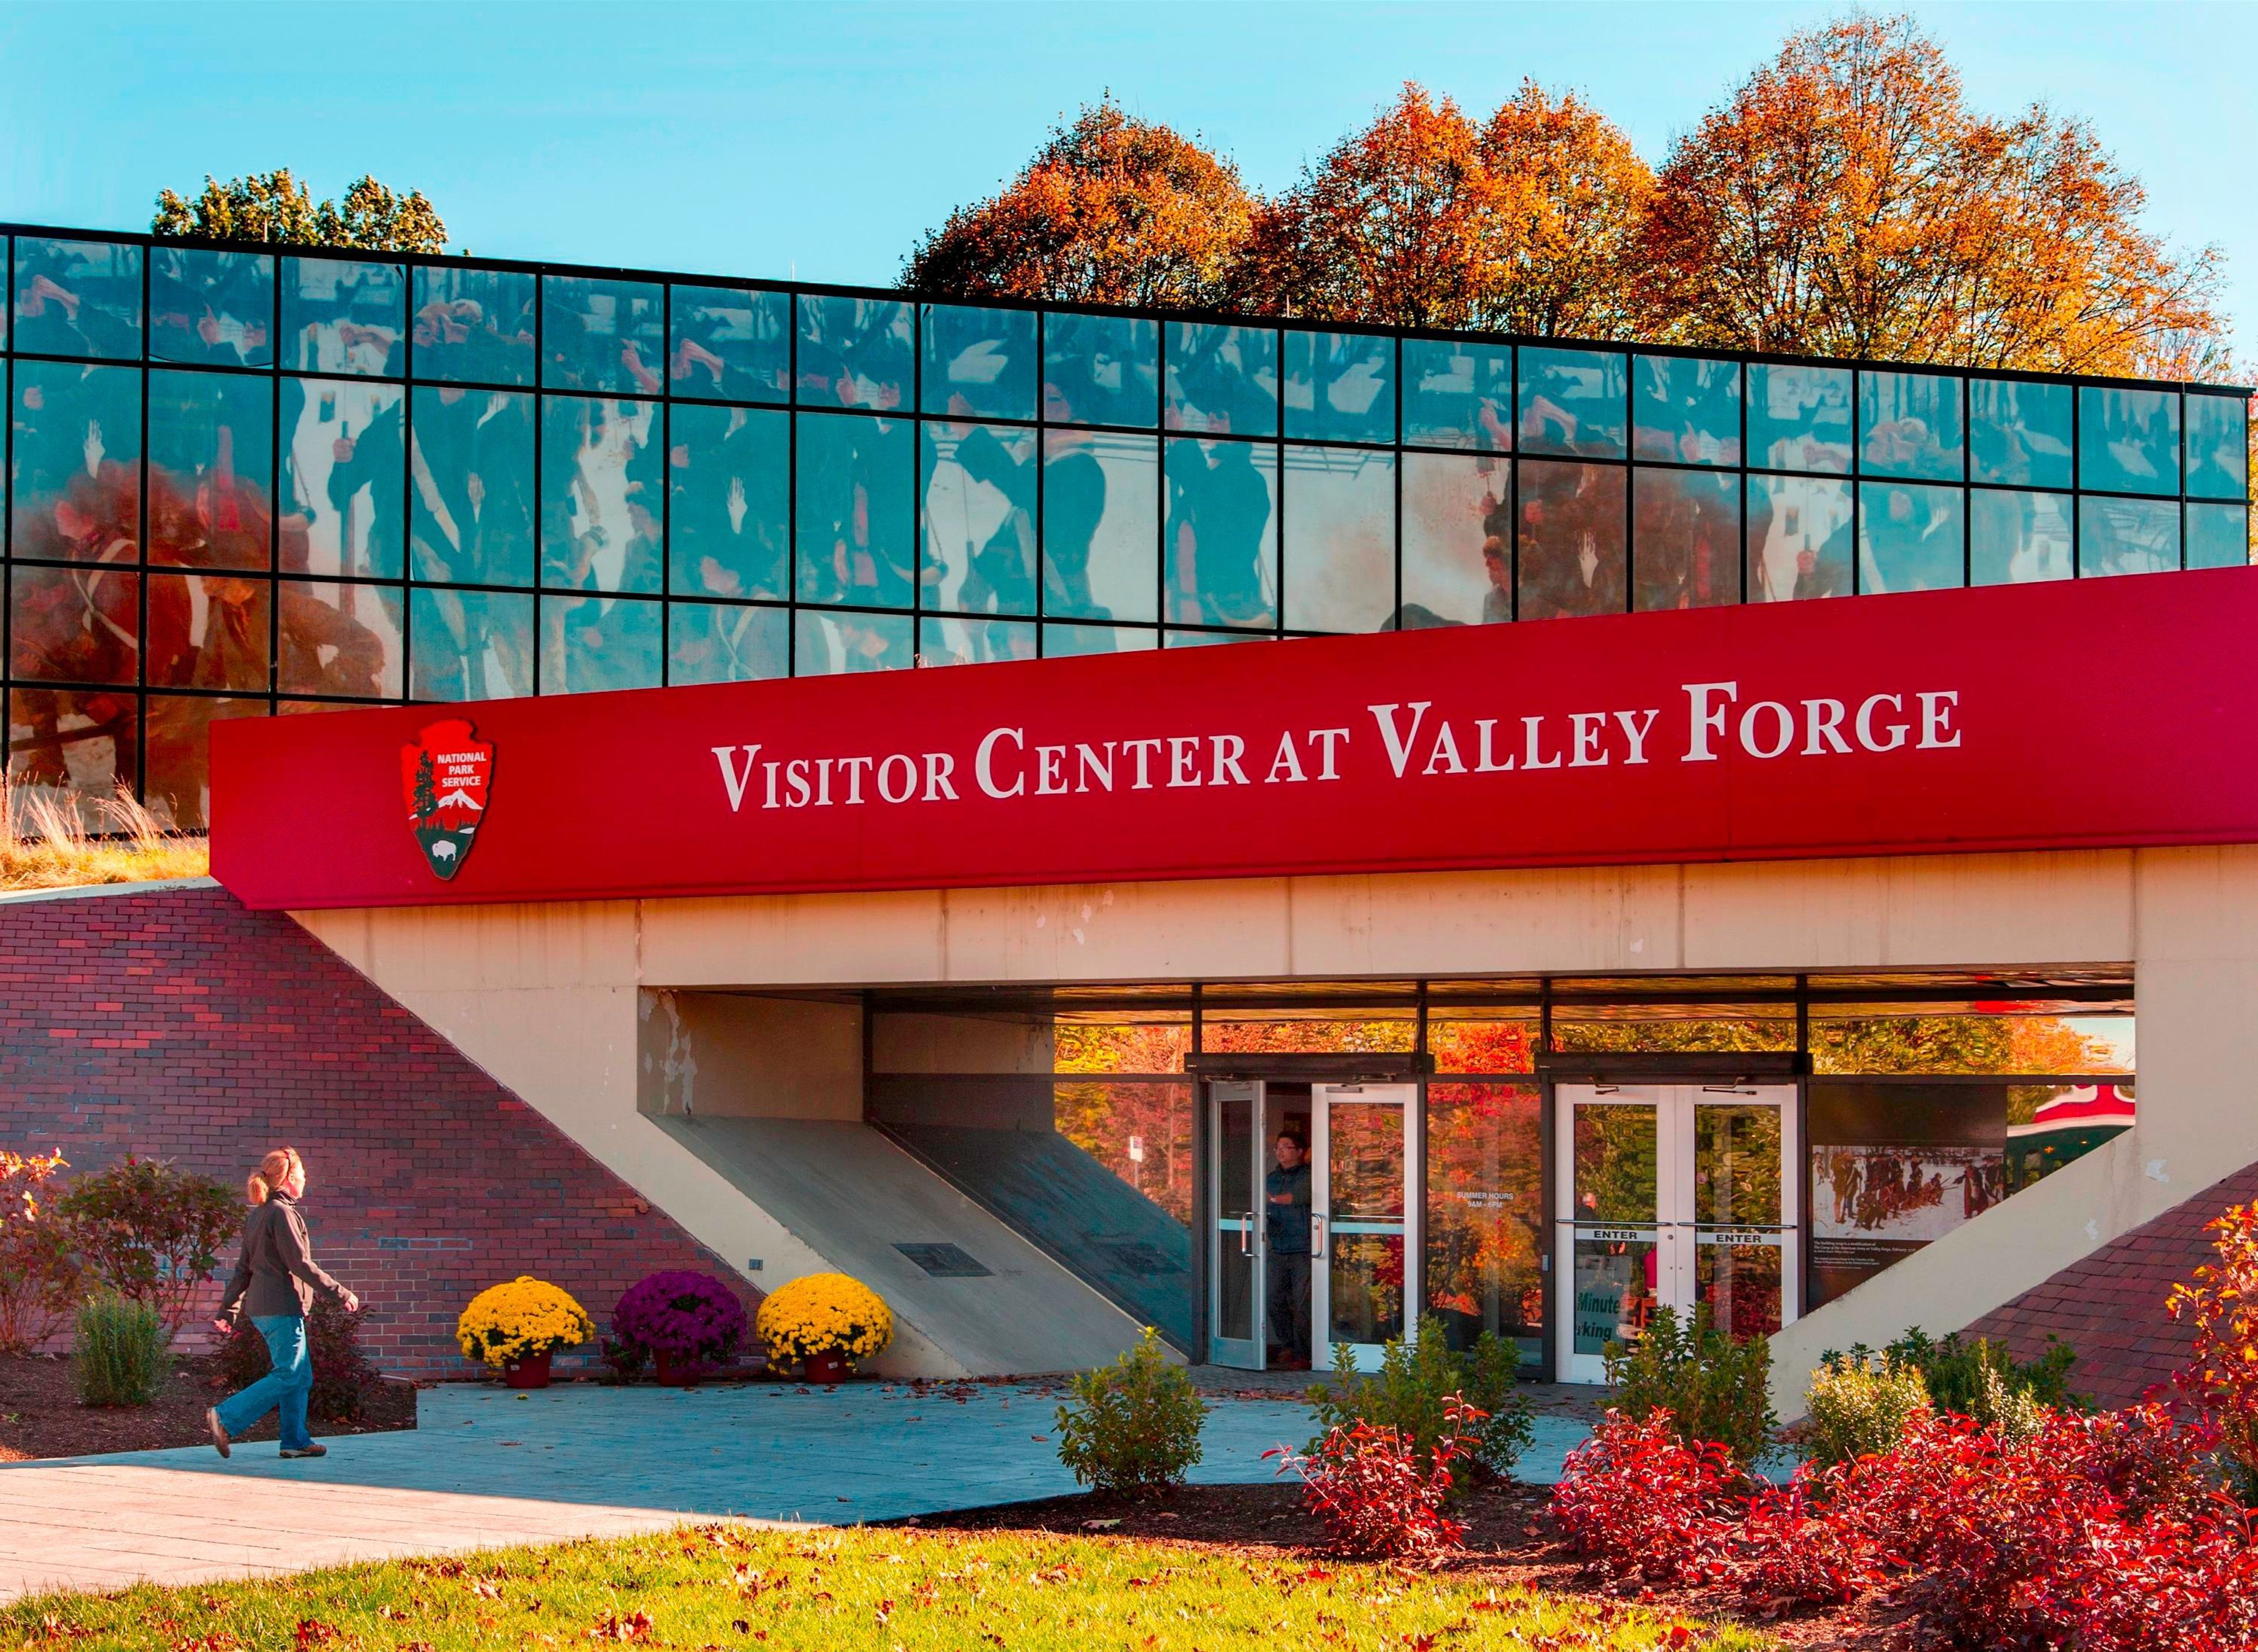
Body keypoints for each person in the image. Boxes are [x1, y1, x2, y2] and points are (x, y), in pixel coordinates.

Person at [206, 1148, 359, 1461]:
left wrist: (228, 1310)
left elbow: (243, 1269)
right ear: (290, 1179)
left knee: (300, 1377)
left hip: (265, 1308)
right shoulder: (281, 1213)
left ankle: (294, 1441)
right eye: (302, 1176)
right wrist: (340, 1293)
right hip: (281, 1306)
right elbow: (300, 1264)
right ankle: (225, 1417)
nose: (305, 1181)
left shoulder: (260, 1213)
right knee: (289, 1373)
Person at [1264, 1131, 1313, 1370]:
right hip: (1278, 1248)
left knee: (1304, 1304)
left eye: (1285, 1146)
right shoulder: (1271, 1178)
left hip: (1303, 1248)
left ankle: (1305, 1354)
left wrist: (1272, 1201)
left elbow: (1300, 1198)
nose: (1280, 1151)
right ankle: (1289, 1346)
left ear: (1300, 1151)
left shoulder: (1310, 1176)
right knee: (1273, 1299)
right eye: (1277, 1147)